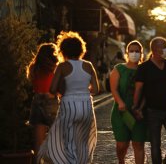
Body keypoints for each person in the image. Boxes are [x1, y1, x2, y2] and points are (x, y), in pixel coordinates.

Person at [37, 31, 99, 164]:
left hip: (69, 106)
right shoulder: (88, 65)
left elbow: (52, 89)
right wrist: (82, 90)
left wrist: (64, 90)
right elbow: (96, 89)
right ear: (81, 49)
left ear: (63, 50)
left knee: (68, 142)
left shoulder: (62, 66)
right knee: (82, 141)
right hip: (86, 106)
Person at [133, 37, 166, 164]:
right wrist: (135, 107)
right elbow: (138, 89)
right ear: (155, 49)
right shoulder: (144, 68)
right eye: (163, 46)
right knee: (155, 145)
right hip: (152, 111)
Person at [110, 40, 147, 164]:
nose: (134, 53)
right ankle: (121, 161)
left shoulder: (145, 69)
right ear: (127, 53)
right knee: (122, 144)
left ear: (141, 53)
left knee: (138, 143)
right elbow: (114, 89)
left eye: (137, 51)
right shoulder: (119, 69)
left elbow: (148, 92)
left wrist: (141, 107)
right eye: (132, 51)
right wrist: (120, 102)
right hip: (121, 112)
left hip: (139, 113)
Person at [27, 43, 59, 159]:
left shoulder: (34, 67)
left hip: (37, 101)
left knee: (37, 145)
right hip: (51, 101)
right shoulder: (55, 68)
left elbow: (32, 81)